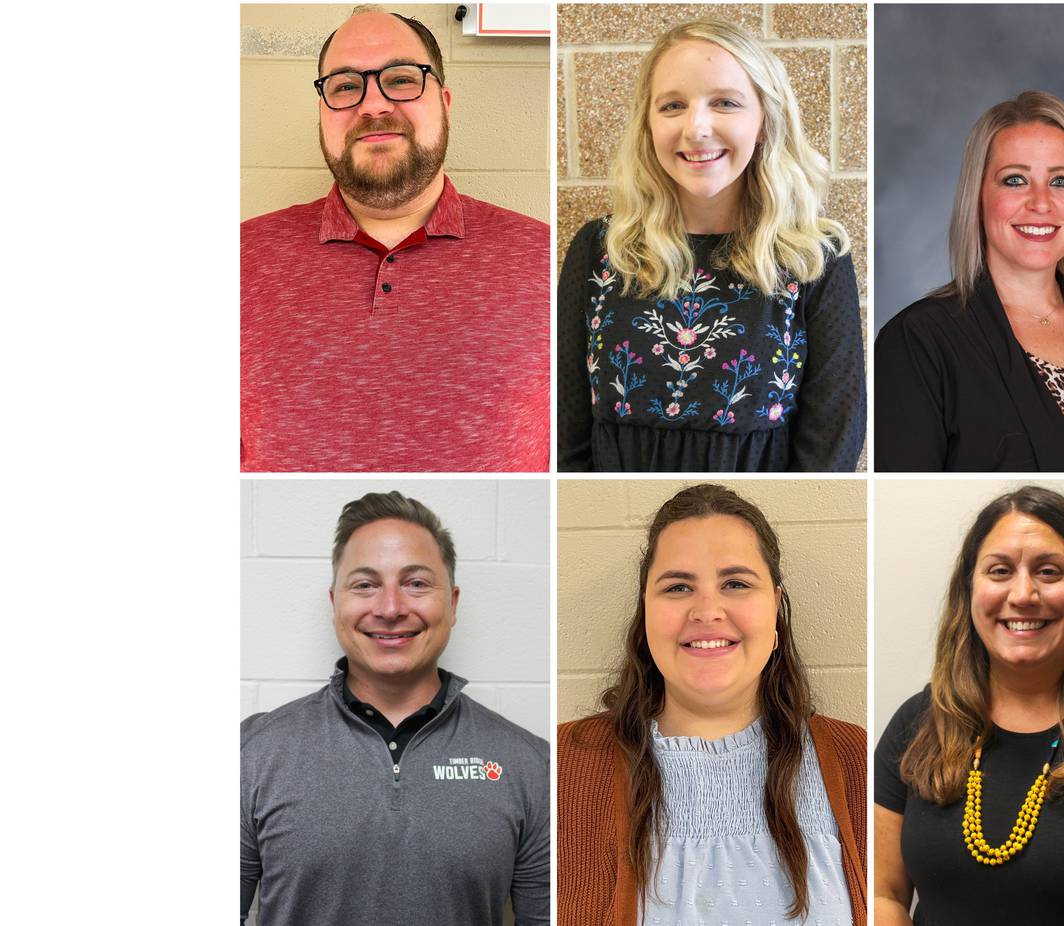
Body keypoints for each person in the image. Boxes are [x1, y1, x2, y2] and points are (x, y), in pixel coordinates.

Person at [240, 6, 549, 472]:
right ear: (322, 114)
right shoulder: (237, 260)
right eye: (345, 86)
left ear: (444, 102)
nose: (373, 104)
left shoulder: (544, 260)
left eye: (402, 79)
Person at [557, 20, 865, 472]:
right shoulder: (601, 249)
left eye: (725, 103)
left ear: (764, 121)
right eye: (672, 106)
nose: (696, 128)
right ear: (648, 124)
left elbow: (833, 440)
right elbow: (565, 427)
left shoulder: (813, 256)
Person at [557, 484, 867, 924]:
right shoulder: (564, 764)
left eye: (736, 583)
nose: (707, 610)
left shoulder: (855, 760)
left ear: (775, 608)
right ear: (645, 611)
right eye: (679, 587)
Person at [874, 485, 1064, 925]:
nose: (1022, 594)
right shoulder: (918, 722)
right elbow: (882, 894)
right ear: (969, 588)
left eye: (1050, 572)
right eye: (999, 571)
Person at [241, 492, 549, 926]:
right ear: (335, 604)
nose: (390, 608)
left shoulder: (529, 763)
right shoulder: (252, 752)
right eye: (365, 584)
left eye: (417, 583)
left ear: (453, 603)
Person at [875, 91, 1064, 472]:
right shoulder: (918, 341)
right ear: (978, 197)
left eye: (1062, 181)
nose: (1041, 202)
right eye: (1015, 180)